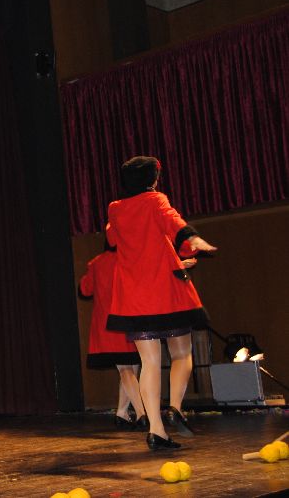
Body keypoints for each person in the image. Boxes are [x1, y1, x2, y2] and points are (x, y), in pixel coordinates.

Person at [105, 156, 216, 451]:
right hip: (165, 290)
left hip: (135, 296)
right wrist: (193, 238)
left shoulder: (115, 208)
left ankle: (156, 430)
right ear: (152, 179)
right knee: (182, 353)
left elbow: (113, 240)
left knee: (149, 362)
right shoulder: (155, 200)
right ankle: (176, 406)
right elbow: (172, 220)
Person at [78, 242, 146, 430]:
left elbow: (85, 290)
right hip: (131, 319)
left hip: (109, 324)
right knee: (130, 368)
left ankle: (122, 413)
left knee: (127, 369)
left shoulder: (96, 263)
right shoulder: (129, 258)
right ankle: (141, 413)